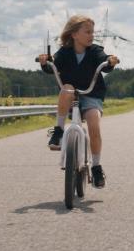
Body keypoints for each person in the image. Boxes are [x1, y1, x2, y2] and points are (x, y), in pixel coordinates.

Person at [38, 15, 119, 188]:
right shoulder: (64, 53)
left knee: (94, 125)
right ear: (74, 34)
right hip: (71, 96)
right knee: (67, 87)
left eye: (92, 32)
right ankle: (59, 131)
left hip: (91, 95)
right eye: (87, 32)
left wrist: (111, 61)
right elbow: (53, 65)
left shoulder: (95, 51)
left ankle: (96, 166)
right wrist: (45, 62)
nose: (91, 35)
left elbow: (104, 60)